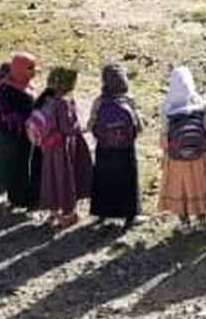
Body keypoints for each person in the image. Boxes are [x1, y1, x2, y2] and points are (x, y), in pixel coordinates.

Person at [32, 67, 92, 229]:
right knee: (64, 178)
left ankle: (53, 212)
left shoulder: (45, 98)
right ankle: (67, 215)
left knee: (51, 178)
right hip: (63, 148)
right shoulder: (64, 101)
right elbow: (67, 128)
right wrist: (81, 128)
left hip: (48, 146)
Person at [84, 61, 143, 226]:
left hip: (104, 148)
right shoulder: (129, 101)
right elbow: (139, 126)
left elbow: (90, 125)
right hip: (125, 149)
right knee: (127, 180)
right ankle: (130, 215)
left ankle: (102, 212)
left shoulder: (99, 101)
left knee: (104, 179)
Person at [159, 66, 206, 225]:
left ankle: (184, 221)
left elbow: (164, 136)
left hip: (176, 156)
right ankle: (201, 218)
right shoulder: (201, 104)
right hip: (199, 154)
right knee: (199, 184)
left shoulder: (166, 107)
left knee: (180, 187)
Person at [0, 52, 40, 209]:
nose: (34, 71)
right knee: (18, 166)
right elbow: (12, 115)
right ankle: (20, 199)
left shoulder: (19, 83)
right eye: (30, 68)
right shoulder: (8, 91)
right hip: (15, 136)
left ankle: (19, 197)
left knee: (21, 165)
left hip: (20, 134)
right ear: (19, 69)